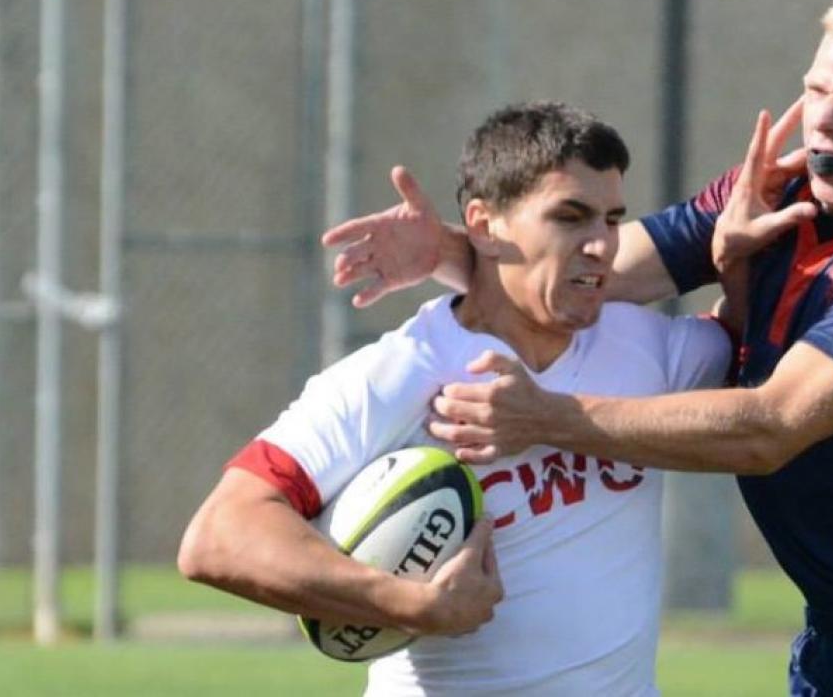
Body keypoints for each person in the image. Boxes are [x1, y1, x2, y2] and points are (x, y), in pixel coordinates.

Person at [322, 0, 833, 696]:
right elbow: (594, 271)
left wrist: (545, 417)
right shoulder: (779, 191)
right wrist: (458, 252)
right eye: (817, 89)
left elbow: (768, 427)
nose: (826, 119)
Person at [179, 101, 732, 696]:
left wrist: (744, 256)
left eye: (612, 220)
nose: (601, 245)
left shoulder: (650, 349)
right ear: (485, 225)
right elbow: (219, 534)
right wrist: (409, 603)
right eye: (571, 218)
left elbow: (772, 387)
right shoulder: (402, 372)